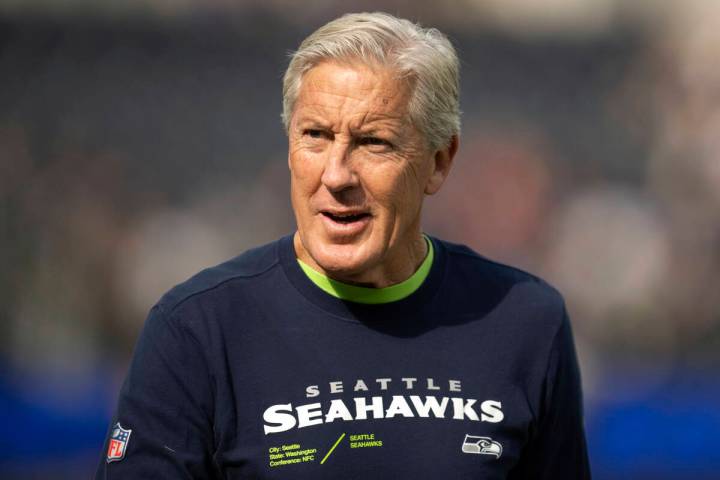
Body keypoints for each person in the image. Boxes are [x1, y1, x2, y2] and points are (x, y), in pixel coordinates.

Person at [96, 12, 590, 479]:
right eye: (315, 135)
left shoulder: (526, 321)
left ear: (439, 161)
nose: (336, 176)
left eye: (373, 142)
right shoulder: (196, 329)